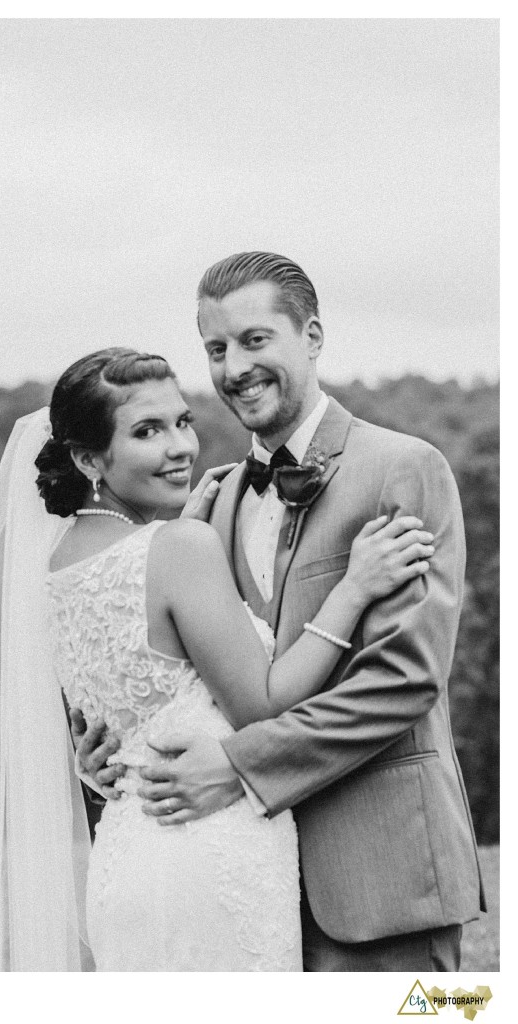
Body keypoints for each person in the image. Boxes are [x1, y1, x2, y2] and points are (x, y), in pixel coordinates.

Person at [0, 346, 433, 972]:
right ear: (88, 459)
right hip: (211, 855)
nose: (180, 447)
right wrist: (354, 588)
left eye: (182, 422)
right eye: (146, 431)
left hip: (128, 858)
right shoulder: (180, 547)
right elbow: (262, 705)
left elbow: (129, 711)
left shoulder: (57, 564)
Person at [75, 252, 484, 972]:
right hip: (247, 881)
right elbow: (198, 677)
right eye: (217, 349)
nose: (235, 367)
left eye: (255, 340)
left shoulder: (403, 467)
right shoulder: (213, 499)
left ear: (313, 337)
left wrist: (238, 765)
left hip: (382, 883)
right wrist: (116, 753)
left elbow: (404, 680)